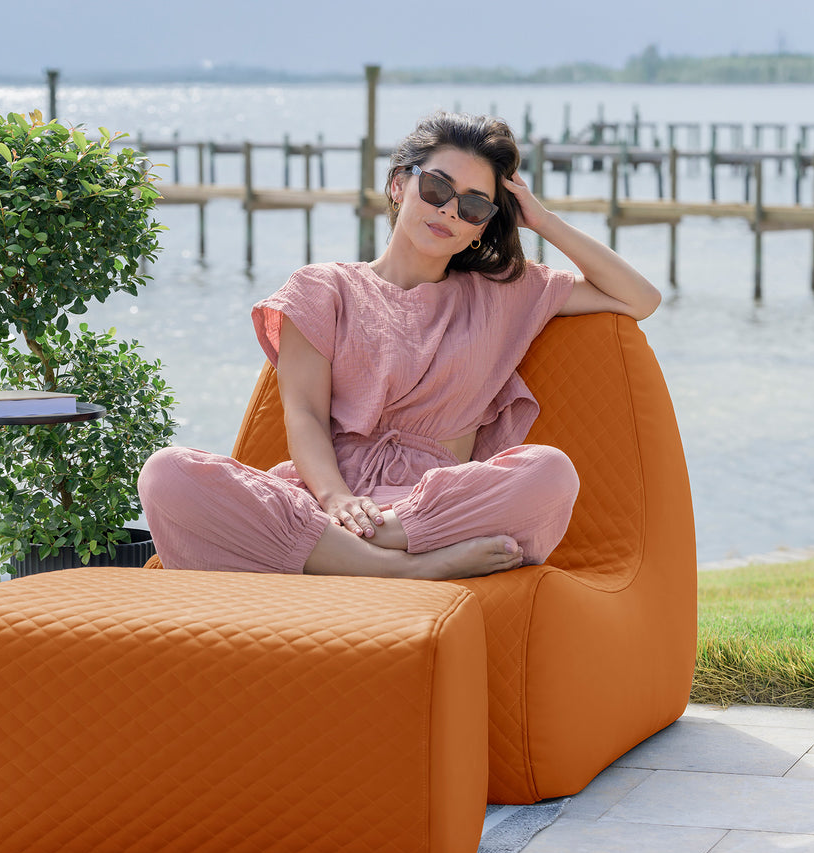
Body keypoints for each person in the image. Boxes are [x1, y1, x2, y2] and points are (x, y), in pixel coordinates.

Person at [138, 111, 661, 581]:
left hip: (426, 508)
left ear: (482, 226)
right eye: (436, 188)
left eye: (474, 205)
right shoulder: (323, 288)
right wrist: (336, 500)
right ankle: (401, 567)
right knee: (167, 472)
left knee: (550, 472)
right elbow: (305, 415)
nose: (450, 210)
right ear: (398, 185)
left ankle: (349, 553)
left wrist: (542, 220)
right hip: (325, 500)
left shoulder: (504, 292)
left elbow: (639, 297)